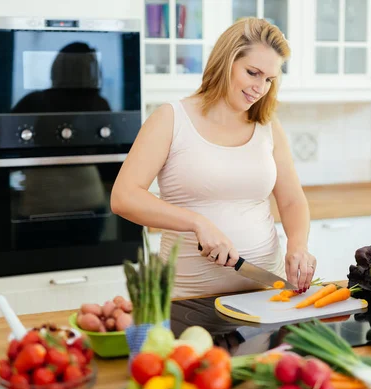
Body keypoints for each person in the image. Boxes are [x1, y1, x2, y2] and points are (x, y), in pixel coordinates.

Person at [111, 17, 316, 298]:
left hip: (267, 292)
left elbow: (292, 200)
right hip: (188, 297)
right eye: (252, 72)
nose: (260, 87)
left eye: (269, 79)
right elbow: (124, 197)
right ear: (225, 62)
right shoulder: (171, 119)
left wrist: (297, 246)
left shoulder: (267, 126)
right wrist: (197, 222)